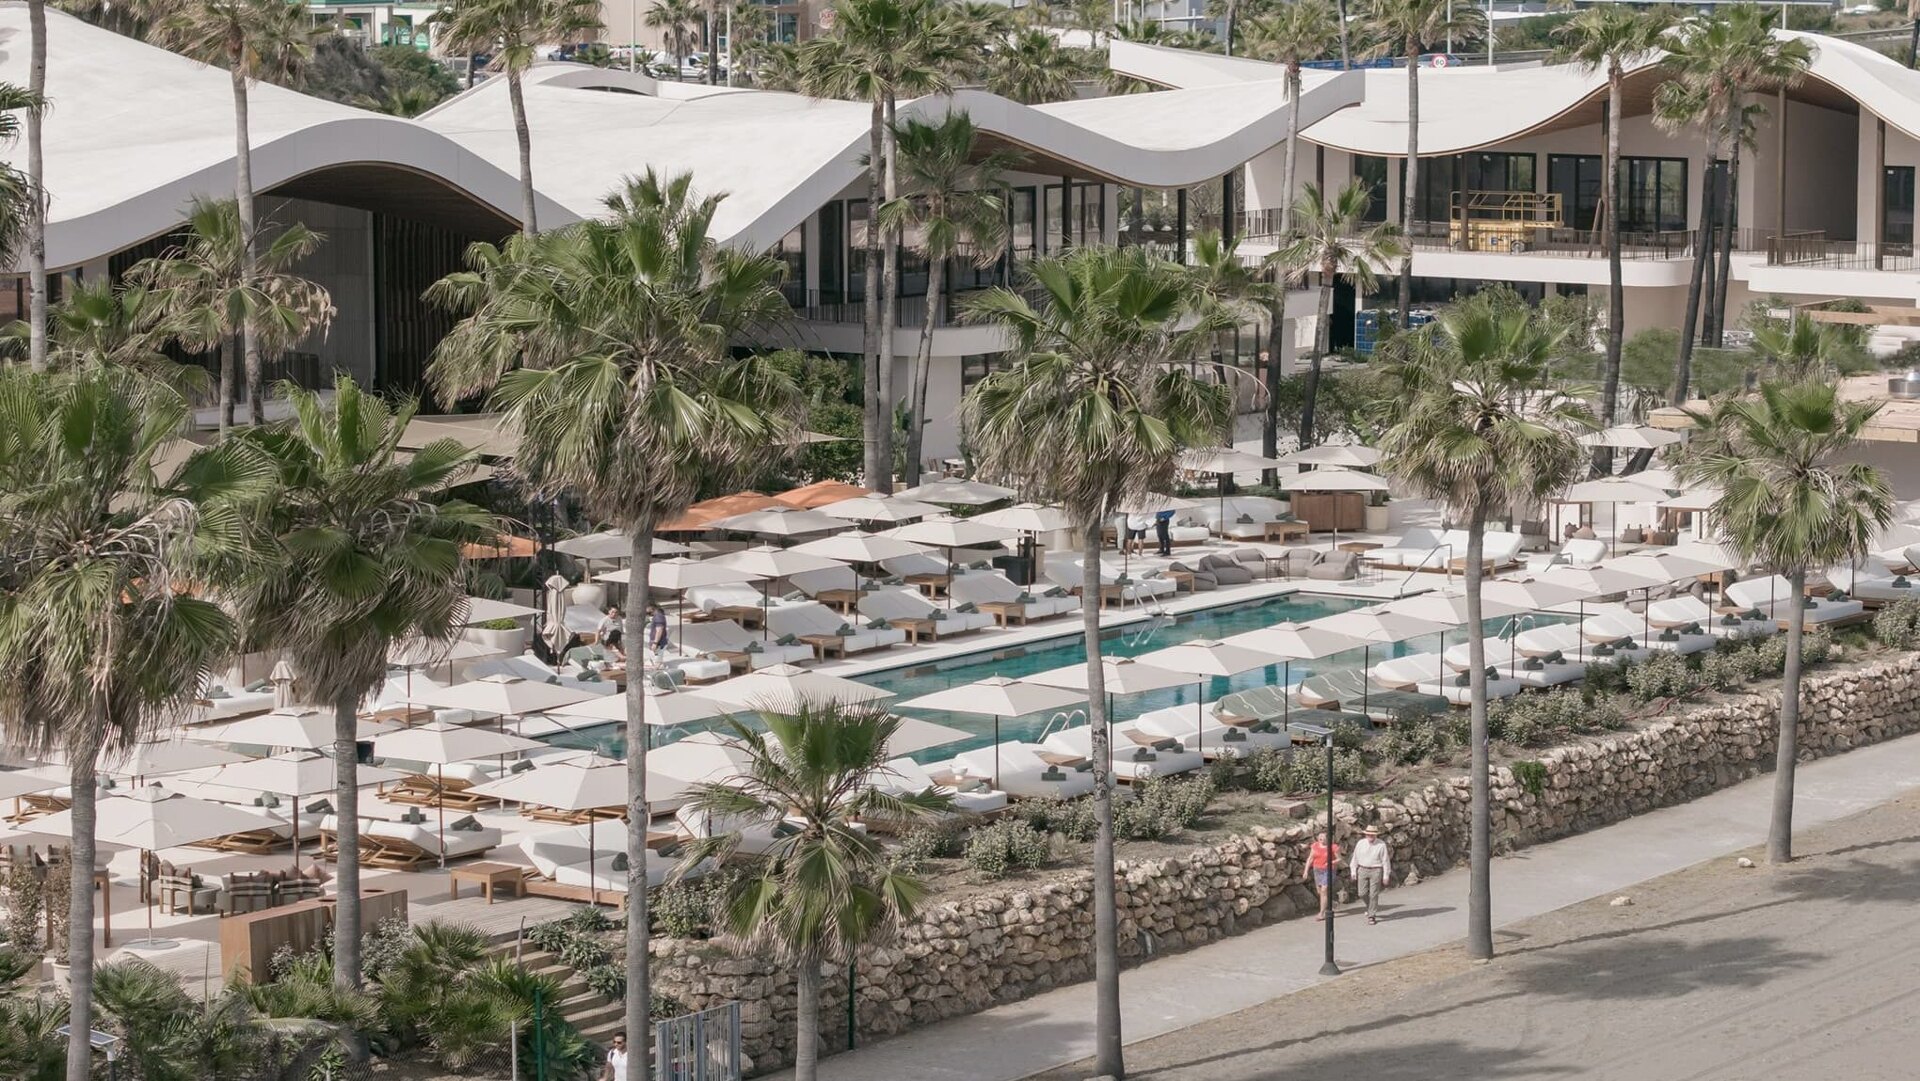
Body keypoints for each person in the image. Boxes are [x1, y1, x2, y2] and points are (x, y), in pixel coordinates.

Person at [1350, 824, 1392, 924]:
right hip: (1362, 869)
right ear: (1366, 834)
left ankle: (1371, 915)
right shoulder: (1360, 843)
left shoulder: (1381, 845)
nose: (1370, 836)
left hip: (1376, 869)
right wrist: (1353, 871)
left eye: (1372, 834)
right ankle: (1370, 907)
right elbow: (1355, 857)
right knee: (1362, 893)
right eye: (1368, 834)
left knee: (1373, 894)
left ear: (1376, 835)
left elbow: (1385, 860)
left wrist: (1386, 875)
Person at [1304, 832, 1341, 921]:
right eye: (1320, 837)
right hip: (1317, 869)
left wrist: (1331, 862)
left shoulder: (1333, 847)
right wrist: (1305, 871)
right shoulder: (1315, 846)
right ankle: (1329, 903)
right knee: (1320, 891)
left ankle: (1321, 913)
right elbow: (1310, 858)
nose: (1321, 838)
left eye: (1323, 837)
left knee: (1324, 889)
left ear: (1327, 838)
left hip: (1328, 870)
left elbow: (1339, 859)